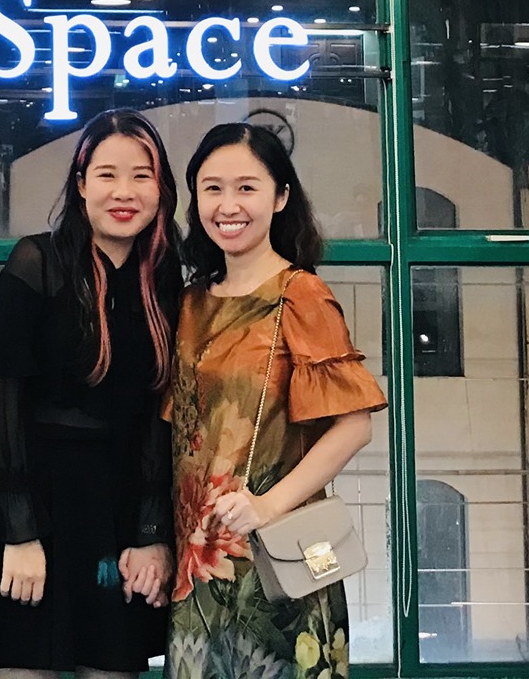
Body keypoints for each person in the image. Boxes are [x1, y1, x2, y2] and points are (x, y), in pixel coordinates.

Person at [0, 109, 183, 679]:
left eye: (141, 176)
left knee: (112, 667)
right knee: (25, 666)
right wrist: (21, 532)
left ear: (161, 189)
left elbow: (159, 411)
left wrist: (152, 534)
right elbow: (2, 403)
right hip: (33, 501)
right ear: (81, 184)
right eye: (107, 175)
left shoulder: (165, 279)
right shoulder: (38, 262)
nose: (124, 192)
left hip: (117, 514)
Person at [166, 123, 386, 679]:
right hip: (199, 563)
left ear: (280, 197)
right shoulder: (187, 303)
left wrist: (266, 506)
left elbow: (354, 425)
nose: (228, 205)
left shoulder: (301, 295)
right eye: (212, 188)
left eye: (247, 187)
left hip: (279, 559)